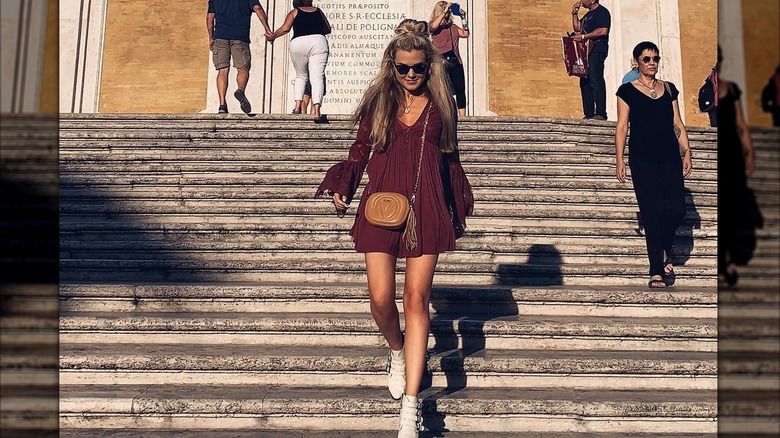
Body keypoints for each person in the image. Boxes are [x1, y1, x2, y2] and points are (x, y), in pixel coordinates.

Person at [315, 19, 473, 437]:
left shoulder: (442, 106)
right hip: (382, 203)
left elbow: (450, 158)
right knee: (382, 299)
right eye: (402, 68)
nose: (410, 76)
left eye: (417, 68)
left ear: (429, 66)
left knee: (416, 299)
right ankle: (397, 351)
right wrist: (344, 185)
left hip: (427, 206)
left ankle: (411, 407)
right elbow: (359, 151)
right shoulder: (379, 103)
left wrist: (457, 203)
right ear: (392, 66)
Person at [615, 41, 693, 289]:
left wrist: (687, 152)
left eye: (655, 59)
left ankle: (662, 249)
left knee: (676, 210)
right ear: (637, 61)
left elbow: (678, 124)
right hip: (642, 158)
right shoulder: (626, 91)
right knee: (651, 213)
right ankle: (656, 271)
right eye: (647, 59)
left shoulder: (669, 89)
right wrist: (620, 158)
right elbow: (622, 127)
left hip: (669, 157)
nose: (652, 63)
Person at [716, 46, 756, 286]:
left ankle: (729, 258)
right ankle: (723, 264)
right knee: (722, 210)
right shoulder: (709, 88)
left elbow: (741, 124)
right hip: (719, 156)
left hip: (733, 158)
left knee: (733, 211)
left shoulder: (731, 89)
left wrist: (749, 154)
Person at [267, 0, 331, 122]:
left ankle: (297, 106)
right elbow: (327, 29)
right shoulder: (318, 12)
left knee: (300, 76)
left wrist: (273, 36)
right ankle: (317, 110)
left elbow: (285, 29)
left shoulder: (294, 12)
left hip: (298, 42)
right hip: (318, 41)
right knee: (317, 77)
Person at [206, 0, 272, 114]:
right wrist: (267, 29)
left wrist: (211, 37)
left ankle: (222, 105)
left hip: (220, 36)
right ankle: (240, 90)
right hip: (240, 36)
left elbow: (210, 17)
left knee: (223, 71)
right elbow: (258, 9)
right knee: (243, 68)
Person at [571, 0, 611, 120]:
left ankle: (600, 113)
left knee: (595, 79)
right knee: (585, 82)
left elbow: (603, 30)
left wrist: (584, 37)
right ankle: (588, 113)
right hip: (585, 51)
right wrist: (574, 14)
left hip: (596, 49)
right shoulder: (588, 15)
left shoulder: (602, 12)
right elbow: (578, 28)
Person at [429, 1, 470, 117]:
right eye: (443, 8)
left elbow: (465, 33)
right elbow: (432, 27)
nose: (447, 11)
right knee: (443, 89)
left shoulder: (453, 27)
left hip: (455, 60)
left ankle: (462, 116)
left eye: (447, 9)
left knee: (460, 89)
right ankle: (443, 114)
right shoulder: (434, 25)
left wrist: (463, 18)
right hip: (440, 60)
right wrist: (444, 11)